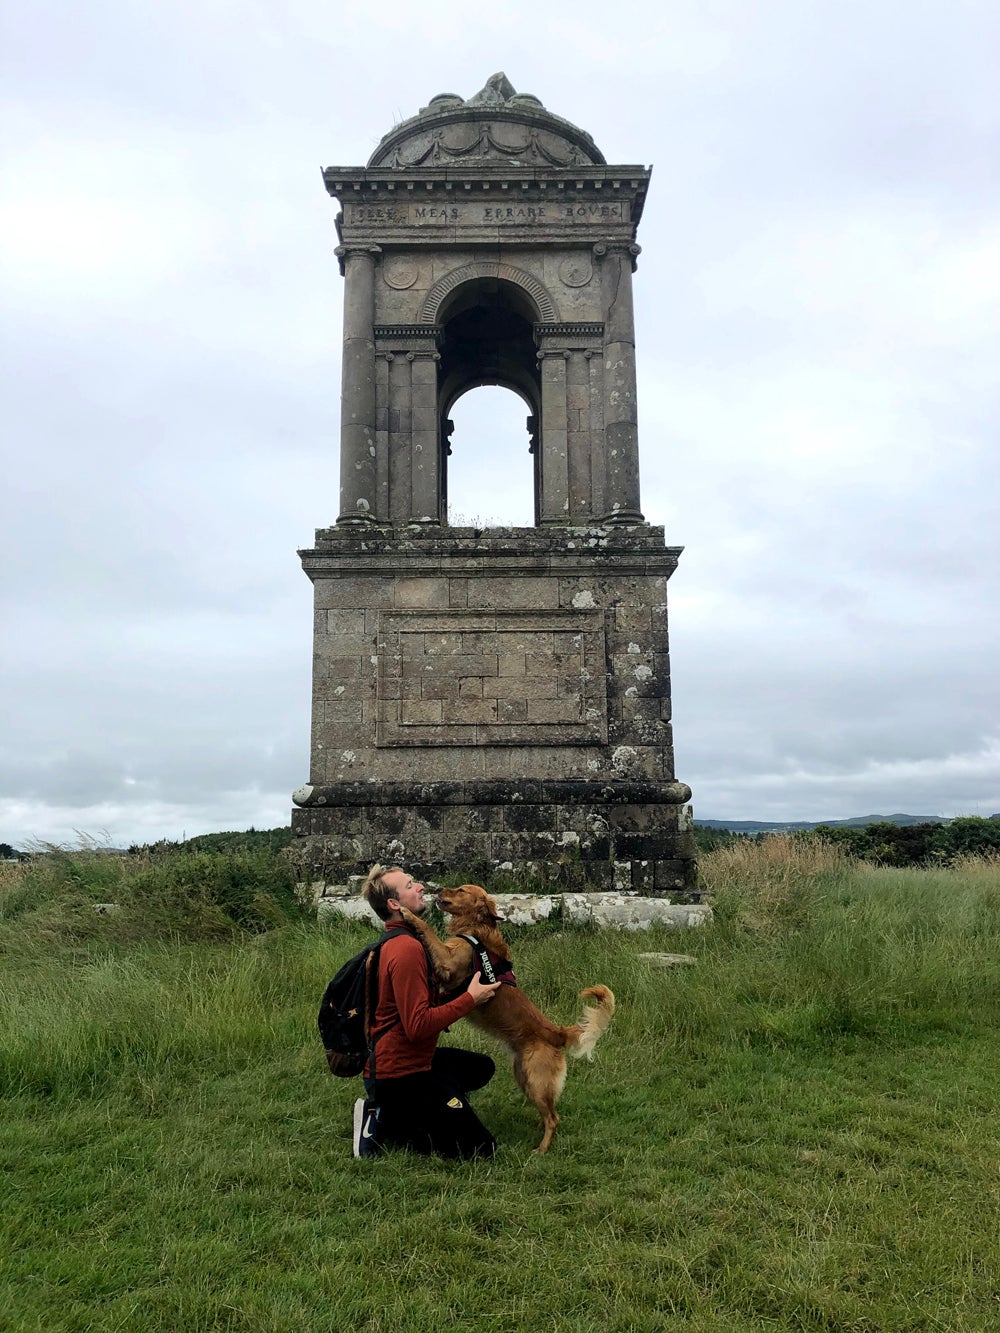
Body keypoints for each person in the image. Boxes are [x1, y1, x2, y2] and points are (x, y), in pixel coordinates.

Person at [353, 864, 501, 1160]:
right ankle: (383, 1119)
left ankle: (436, 1103)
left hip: (419, 1061)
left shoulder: (409, 941)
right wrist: (470, 999)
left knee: (481, 1067)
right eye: (409, 885)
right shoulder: (405, 950)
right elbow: (417, 1026)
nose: (420, 887)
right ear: (395, 904)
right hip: (398, 1075)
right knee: (481, 1150)